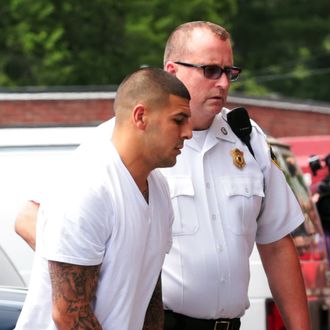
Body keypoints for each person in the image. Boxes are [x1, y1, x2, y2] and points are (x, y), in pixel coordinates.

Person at [15, 21, 311, 330]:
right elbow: (30, 217)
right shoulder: (121, 144)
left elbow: (277, 243)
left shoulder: (246, 141)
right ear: (172, 70)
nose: (223, 83)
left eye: (229, 72)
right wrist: (93, 261)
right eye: (210, 70)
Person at [14, 67, 192, 330]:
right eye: (179, 120)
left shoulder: (159, 188)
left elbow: (150, 294)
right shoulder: (88, 186)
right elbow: (69, 315)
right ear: (140, 116)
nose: (188, 132)